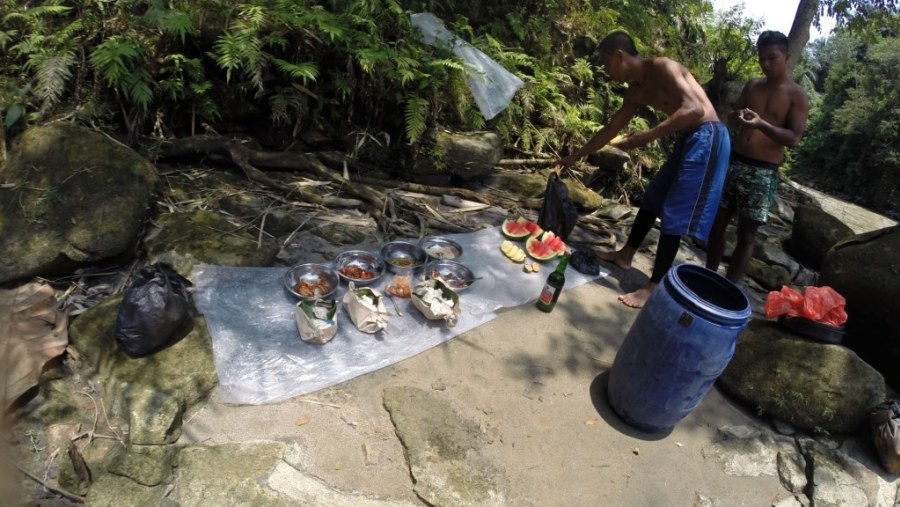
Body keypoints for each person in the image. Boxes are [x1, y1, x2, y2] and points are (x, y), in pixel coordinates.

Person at [558, 31, 730, 308]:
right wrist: (575, 156)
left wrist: (647, 136)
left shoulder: (662, 67)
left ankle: (655, 285)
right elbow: (611, 129)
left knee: (673, 212)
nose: (605, 70)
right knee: (653, 199)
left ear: (620, 56)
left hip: (708, 136)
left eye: (605, 63)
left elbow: (696, 108)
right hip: (687, 138)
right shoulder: (635, 91)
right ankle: (625, 255)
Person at [705, 31, 809, 283]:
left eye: (771, 57)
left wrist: (761, 125)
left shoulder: (796, 95)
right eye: (762, 57)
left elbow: (793, 139)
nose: (765, 63)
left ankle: (727, 288)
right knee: (716, 224)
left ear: (787, 57)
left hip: (762, 172)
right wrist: (735, 117)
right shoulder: (753, 85)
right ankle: (707, 277)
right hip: (735, 162)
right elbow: (732, 116)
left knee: (746, 235)